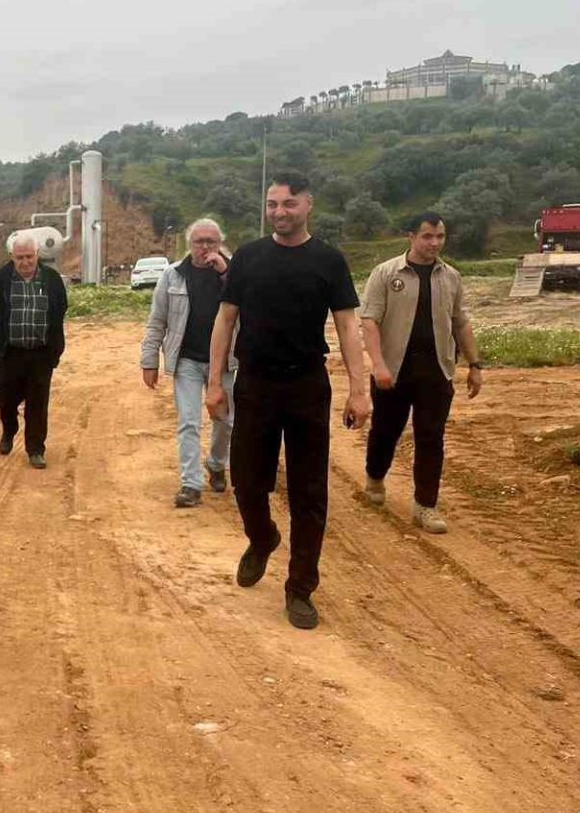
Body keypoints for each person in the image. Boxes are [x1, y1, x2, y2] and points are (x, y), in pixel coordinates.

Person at [206, 173, 369, 631]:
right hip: (255, 383)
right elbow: (225, 320)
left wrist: (359, 390)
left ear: (308, 205)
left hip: (306, 385)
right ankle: (262, 538)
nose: (279, 212)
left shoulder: (329, 261)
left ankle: (300, 589)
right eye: (273, 204)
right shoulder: (248, 258)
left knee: (308, 491)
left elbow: (348, 327)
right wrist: (214, 383)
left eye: (288, 204)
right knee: (246, 480)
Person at [359, 212, 484, 534]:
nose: (435, 243)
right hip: (394, 371)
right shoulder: (386, 273)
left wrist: (474, 364)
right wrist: (378, 364)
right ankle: (375, 478)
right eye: (427, 236)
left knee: (431, 437)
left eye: (440, 236)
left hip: (436, 371)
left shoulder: (451, 277)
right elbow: (369, 321)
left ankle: (425, 505)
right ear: (411, 236)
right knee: (385, 432)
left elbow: (460, 322)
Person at [139, 218, 234, 508]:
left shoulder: (234, 273)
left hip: (225, 361)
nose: (205, 247)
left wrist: (225, 274)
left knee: (226, 421)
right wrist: (149, 360)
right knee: (189, 422)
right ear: (189, 244)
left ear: (220, 243)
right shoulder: (173, 275)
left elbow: (252, 305)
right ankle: (191, 484)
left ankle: (216, 463)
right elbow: (157, 320)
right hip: (187, 360)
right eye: (199, 241)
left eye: (211, 241)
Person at [0, 234, 68, 469]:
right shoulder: (2, 279)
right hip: (10, 353)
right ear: (12, 257)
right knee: (7, 399)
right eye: (20, 257)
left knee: (37, 404)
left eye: (29, 256)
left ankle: (35, 449)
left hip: (41, 354)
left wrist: (54, 349)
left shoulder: (51, 280)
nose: (25, 262)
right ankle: (9, 429)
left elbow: (60, 309)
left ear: (37, 255)